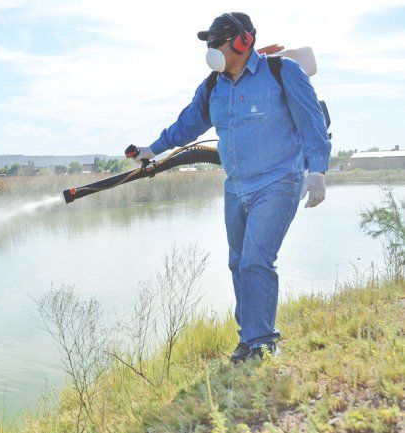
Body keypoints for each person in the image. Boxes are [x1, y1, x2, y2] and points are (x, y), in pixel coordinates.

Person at [126, 12, 331, 363]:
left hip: (278, 181)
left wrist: (318, 172)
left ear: (242, 41)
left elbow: (311, 121)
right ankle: (249, 339)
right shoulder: (212, 87)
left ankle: (263, 342)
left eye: (217, 42)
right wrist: (152, 149)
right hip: (236, 187)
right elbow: (186, 125)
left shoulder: (282, 73)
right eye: (208, 44)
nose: (211, 50)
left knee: (256, 260)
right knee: (238, 263)